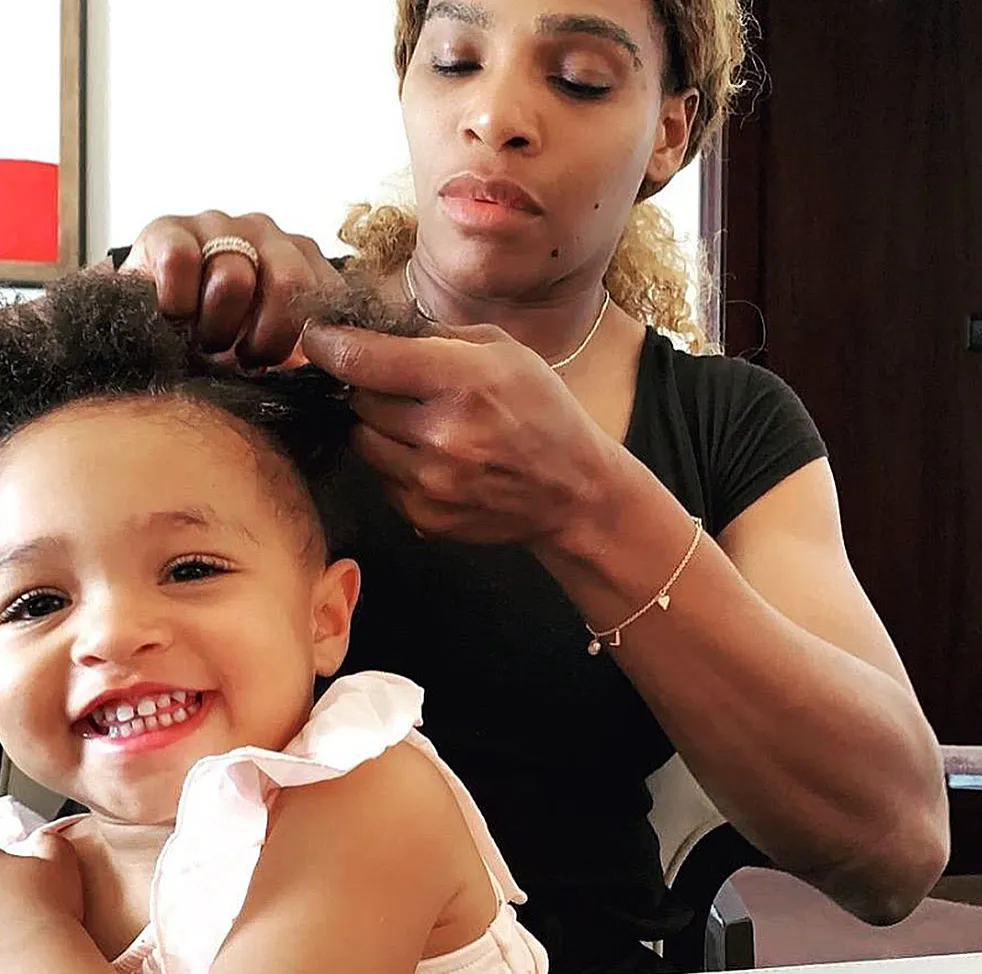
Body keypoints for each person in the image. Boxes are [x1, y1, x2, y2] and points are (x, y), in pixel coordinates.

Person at [103, 0, 950, 970]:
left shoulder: (727, 424)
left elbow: (897, 845)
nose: (495, 115)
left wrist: (590, 505)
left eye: (579, 78)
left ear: (669, 132)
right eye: (456, 60)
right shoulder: (243, 342)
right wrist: (126, 323)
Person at [0, 273, 549, 974]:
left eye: (190, 570)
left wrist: (25, 931)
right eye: (36, 603)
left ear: (324, 619)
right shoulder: (38, 867)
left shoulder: (370, 801)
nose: (112, 634)